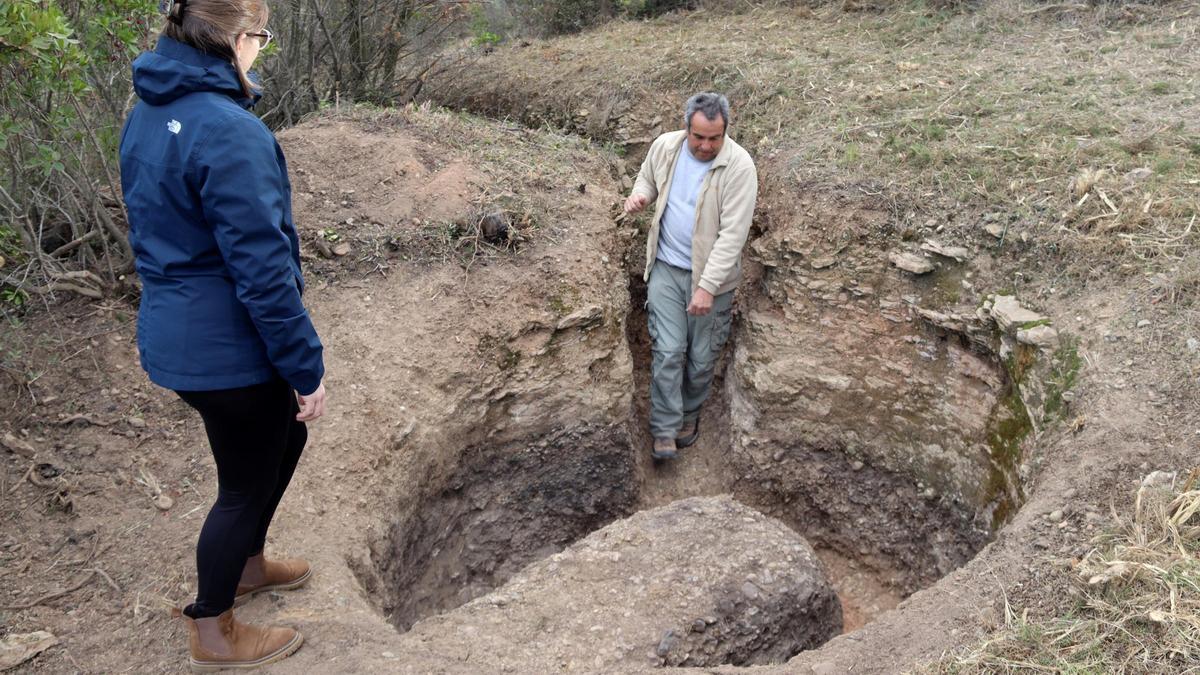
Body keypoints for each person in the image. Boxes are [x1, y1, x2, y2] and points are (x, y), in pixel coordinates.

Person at [119, 0, 325, 668]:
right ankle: (213, 622)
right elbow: (263, 273)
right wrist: (305, 366)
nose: (262, 48)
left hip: (177, 334)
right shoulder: (228, 130)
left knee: (279, 438)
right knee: (241, 486)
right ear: (236, 37)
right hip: (227, 349)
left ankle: (249, 562)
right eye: (261, 36)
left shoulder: (147, 114)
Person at [623, 92, 758, 461]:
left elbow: (733, 236)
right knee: (668, 351)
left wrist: (706, 287)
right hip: (666, 267)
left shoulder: (740, 167)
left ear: (725, 130)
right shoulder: (666, 147)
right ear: (686, 127)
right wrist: (640, 196)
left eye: (714, 138)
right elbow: (647, 180)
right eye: (699, 137)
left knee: (700, 358)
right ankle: (665, 429)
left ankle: (689, 415)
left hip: (712, 281)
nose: (705, 145)